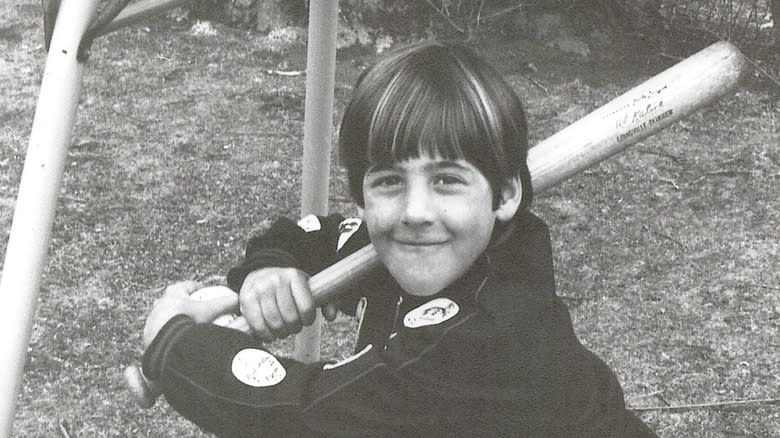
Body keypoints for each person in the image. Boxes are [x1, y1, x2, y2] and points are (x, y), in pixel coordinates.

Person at [141, 40, 658, 437]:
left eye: (447, 180)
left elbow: (297, 414)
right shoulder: (416, 244)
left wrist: (175, 345)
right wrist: (271, 270)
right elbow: (314, 233)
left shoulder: (490, 337)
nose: (414, 212)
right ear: (362, 196)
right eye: (389, 181)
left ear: (503, 195)